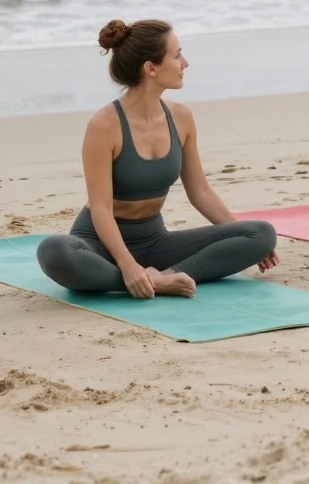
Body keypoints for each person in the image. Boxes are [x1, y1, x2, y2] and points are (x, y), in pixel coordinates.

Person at [37, 19, 278, 298]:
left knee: (261, 233)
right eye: (176, 56)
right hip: (99, 244)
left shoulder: (181, 117)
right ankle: (148, 282)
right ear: (151, 68)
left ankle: (165, 277)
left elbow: (200, 191)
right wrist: (129, 267)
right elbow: (101, 209)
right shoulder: (105, 125)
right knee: (53, 251)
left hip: (154, 242)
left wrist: (243, 235)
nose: (185, 63)